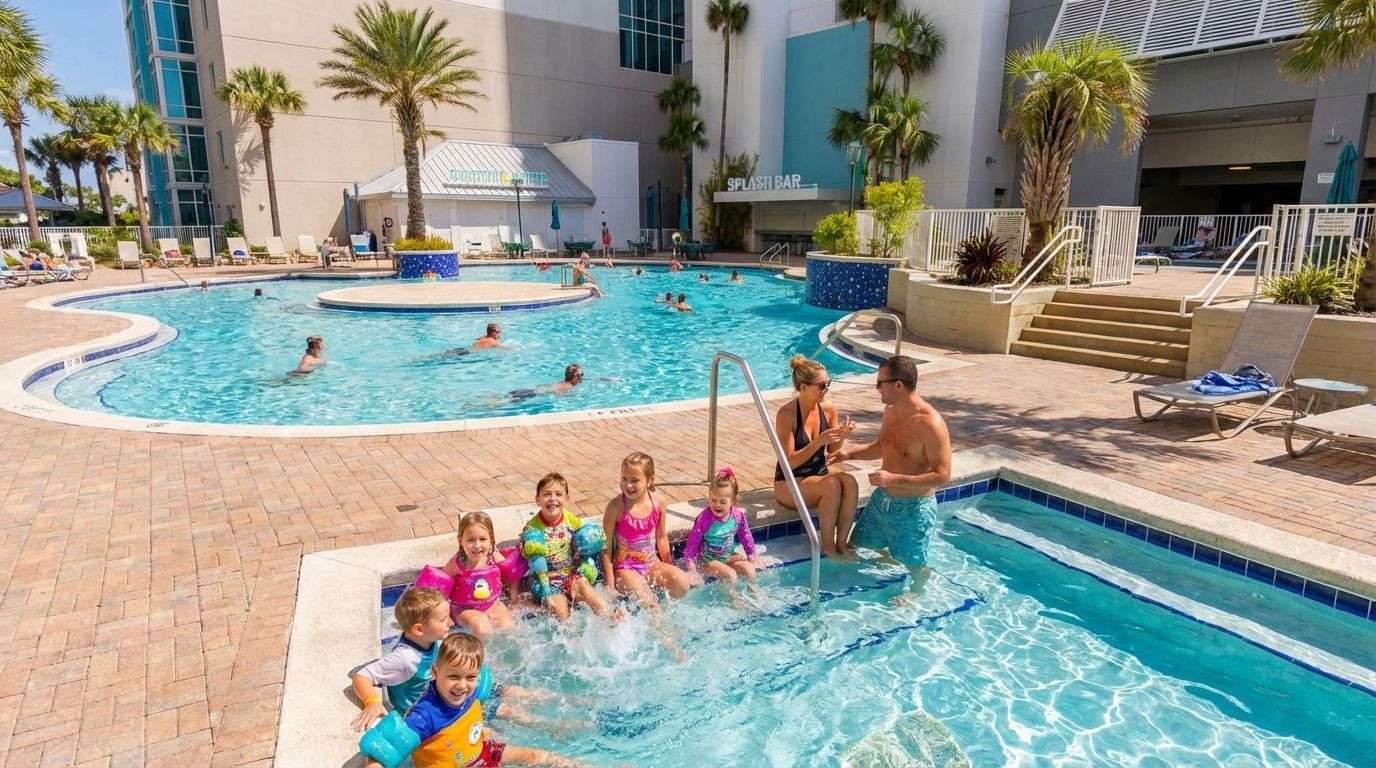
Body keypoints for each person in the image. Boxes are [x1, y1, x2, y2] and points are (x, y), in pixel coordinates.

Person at [358, 634, 591, 768]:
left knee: (538, 756)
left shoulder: (475, 688)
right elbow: (379, 755)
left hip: (480, 755)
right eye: (453, 677)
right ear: (435, 672)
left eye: (470, 677)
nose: (462, 685)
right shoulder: (424, 716)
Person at [831, 355, 951, 593]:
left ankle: (916, 591)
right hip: (881, 503)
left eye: (879, 383)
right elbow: (884, 445)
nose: (876, 389)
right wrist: (849, 454)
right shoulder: (891, 410)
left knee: (914, 564)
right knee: (858, 544)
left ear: (898, 385)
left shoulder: (931, 424)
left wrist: (893, 478)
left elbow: (942, 476)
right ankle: (890, 557)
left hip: (913, 510)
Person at [774, 355, 858, 558]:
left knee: (850, 481)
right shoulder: (786, 414)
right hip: (790, 482)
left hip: (817, 476)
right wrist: (818, 441)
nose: (826, 389)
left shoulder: (828, 408)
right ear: (803, 387)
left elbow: (832, 451)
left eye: (828, 383)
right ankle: (827, 547)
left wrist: (842, 436)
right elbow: (789, 461)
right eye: (821, 386)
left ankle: (842, 544)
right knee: (832, 485)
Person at [349, 587, 453, 731]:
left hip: (432, 703)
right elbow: (361, 676)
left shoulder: (431, 640)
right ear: (419, 630)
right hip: (413, 720)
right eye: (443, 620)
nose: (451, 623)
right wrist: (372, 702)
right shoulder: (406, 659)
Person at [601, 452, 691, 612]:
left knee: (682, 582)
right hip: (625, 569)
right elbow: (606, 547)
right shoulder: (616, 506)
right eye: (624, 479)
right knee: (650, 602)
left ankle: (666, 613)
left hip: (650, 564)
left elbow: (661, 538)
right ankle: (665, 635)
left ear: (649, 481)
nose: (628, 485)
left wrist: (669, 567)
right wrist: (609, 584)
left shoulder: (658, 502)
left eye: (634, 480)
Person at [520, 472, 615, 621]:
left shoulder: (572, 521)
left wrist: (587, 566)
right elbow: (532, 561)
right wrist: (546, 593)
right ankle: (570, 636)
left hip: (570, 575)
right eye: (546, 494)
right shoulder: (532, 529)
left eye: (558, 494)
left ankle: (610, 617)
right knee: (560, 611)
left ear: (567, 499)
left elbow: (585, 547)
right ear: (537, 499)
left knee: (584, 586)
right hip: (546, 581)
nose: (553, 498)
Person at [682, 468, 759, 605]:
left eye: (723, 502)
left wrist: (752, 555)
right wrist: (691, 568)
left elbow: (745, 536)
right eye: (713, 500)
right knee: (730, 575)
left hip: (728, 556)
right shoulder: (704, 518)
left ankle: (754, 594)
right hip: (707, 560)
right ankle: (733, 601)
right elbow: (692, 544)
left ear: (733, 501)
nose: (717, 505)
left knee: (749, 570)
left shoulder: (737, 515)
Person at [441, 511, 518, 640]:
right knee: (481, 628)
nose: (477, 545)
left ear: (491, 540)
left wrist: (514, 598)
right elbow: (440, 590)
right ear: (461, 541)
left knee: (508, 627)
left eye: (482, 539)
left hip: (492, 604)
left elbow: (512, 574)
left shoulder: (493, 556)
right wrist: (444, 616)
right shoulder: (456, 564)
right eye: (470, 540)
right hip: (464, 609)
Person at [508, 364, 585, 402]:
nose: (582, 378)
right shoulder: (568, 386)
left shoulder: (563, 383)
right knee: (503, 402)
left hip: (527, 390)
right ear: (576, 377)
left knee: (503, 397)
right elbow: (559, 397)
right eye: (582, 375)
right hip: (530, 395)